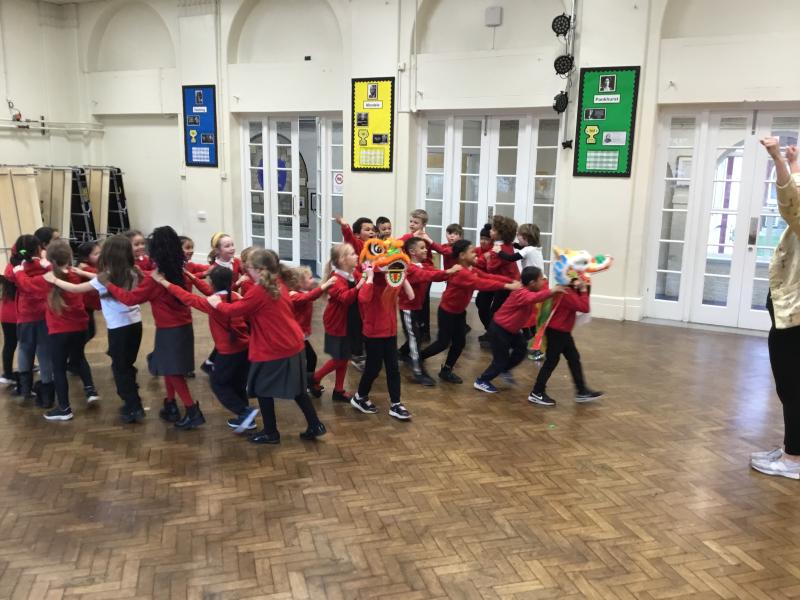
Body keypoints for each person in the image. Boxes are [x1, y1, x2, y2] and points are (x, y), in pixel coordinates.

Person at [207, 249, 327, 444]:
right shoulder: (278, 283)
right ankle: (315, 425)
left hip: (275, 347)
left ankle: (271, 432)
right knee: (297, 389)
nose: (247, 272)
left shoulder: (260, 290)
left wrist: (216, 303)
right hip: (293, 343)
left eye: (249, 268)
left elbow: (235, 310)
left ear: (260, 270)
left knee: (262, 388)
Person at [104, 226, 209, 429]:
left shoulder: (157, 279)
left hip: (170, 330)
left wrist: (108, 284)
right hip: (182, 326)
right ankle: (170, 404)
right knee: (169, 368)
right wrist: (141, 273)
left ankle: (192, 411)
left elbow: (130, 299)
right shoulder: (179, 271)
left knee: (173, 371)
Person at [49, 235, 146, 423]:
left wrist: (54, 280)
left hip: (119, 329)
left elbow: (75, 289)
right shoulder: (132, 271)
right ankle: (133, 401)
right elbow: (100, 280)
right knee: (127, 365)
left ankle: (133, 406)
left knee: (120, 368)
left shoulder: (106, 277)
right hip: (135, 324)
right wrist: (82, 272)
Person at [153, 266, 260, 433]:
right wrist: (191, 276)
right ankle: (247, 419)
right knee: (238, 384)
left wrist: (162, 281)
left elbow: (186, 297)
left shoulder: (213, 303)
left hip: (228, 352)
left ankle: (244, 412)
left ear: (212, 283)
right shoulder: (237, 297)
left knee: (217, 383)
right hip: (246, 349)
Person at [750, 139, 800, 479]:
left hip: (794, 316)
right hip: (790, 311)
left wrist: (778, 160)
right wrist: (791, 164)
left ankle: (793, 459)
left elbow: (791, 203)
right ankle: (792, 448)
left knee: (792, 385)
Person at [420, 239, 520, 384]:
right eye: (472, 252)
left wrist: (510, 280)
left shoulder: (471, 269)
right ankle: (418, 358)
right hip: (447, 312)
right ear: (462, 255)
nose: (476, 255)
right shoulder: (461, 272)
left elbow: (488, 276)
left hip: (459, 312)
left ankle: (446, 370)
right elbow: (481, 283)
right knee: (442, 343)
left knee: (459, 342)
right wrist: (507, 286)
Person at [23, 240, 96, 420]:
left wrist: (18, 270)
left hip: (59, 331)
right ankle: (90, 389)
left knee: (59, 369)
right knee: (79, 357)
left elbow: (27, 285)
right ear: (69, 256)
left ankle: (64, 408)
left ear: (49, 258)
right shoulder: (74, 274)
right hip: (80, 327)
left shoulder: (46, 278)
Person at [474, 267, 562, 394]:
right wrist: (553, 291)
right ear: (532, 283)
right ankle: (482, 380)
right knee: (500, 360)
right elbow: (535, 297)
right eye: (540, 279)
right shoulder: (521, 293)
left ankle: (504, 369)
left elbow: (539, 296)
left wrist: (557, 290)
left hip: (511, 330)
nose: (543, 281)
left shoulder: (528, 289)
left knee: (521, 349)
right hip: (500, 329)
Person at [350, 264, 414, 420]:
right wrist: (370, 277)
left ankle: (396, 404)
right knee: (373, 368)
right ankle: (360, 396)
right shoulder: (369, 279)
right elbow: (363, 298)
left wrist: (403, 277)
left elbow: (411, 296)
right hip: (374, 333)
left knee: (393, 369)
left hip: (390, 332)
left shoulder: (391, 280)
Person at [528, 278, 604, 407]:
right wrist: (583, 290)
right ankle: (536, 392)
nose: (582, 282)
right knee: (552, 361)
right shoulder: (567, 292)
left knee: (573, 358)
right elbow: (584, 307)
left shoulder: (566, 290)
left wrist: (581, 288)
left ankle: (581, 391)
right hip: (558, 331)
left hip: (561, 331)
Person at [399, 237, 460, 386]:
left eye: (425, 247)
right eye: (422, 248)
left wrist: (451, 273)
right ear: (412, 251)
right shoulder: (409, 268)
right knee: (414, 340)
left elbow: (434, 272)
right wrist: (449, 271)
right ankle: (418, 373)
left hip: (417, 308)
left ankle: (401, 353)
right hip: (407, 309)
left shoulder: (423, 265)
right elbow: (428, 276)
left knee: (418, 336)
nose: (426, 250)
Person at [309, 244, 365, 403]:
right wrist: (360, 285)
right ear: (342, 260)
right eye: (352, 254)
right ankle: (314, 378)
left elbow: (363, 280)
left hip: (350, 321)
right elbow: (346, 298)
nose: (356, 256)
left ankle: (339, 390)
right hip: (337, 323)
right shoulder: (335, 279)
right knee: (340, 358)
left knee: (344, 356)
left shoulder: (353, 273)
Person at [11, 235, 54, 405]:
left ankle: (25, 389)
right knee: (44, 353)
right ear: (39, 249)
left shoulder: (17, 268)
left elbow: (8, 274)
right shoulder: (44, 267)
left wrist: (17, 258)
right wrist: (46, 261)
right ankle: (47, 395)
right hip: (44, 314)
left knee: (24, 349)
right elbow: (58, 273)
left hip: (25, 316)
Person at [286, 266, 336, 392]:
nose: (312, 280)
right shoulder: (293, 295)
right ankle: (303, 383)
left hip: (301, 336)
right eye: (310, 278)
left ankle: (307, 382)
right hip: (294, 337)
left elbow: (313, 294)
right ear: (300, 282)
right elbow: (309, 297)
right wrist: (325, 285)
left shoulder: (305, 292)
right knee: (302, 361)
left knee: (310, 358)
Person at [474, 224, 495, 339]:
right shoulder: (477, 250)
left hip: (492, 284)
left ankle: (492, 332)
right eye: (482, 238)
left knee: (483, 308)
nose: (483, 241)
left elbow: (483, 265)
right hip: (483, 284)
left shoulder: (493, 252)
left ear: (491, 241)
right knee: (480, 304)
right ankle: (491, 331)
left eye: (487, 239)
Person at [0, 256, 18, 386]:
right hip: (16, 315)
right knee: (22, 344)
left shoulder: (9, 268)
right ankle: (8, 374)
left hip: (6, 314)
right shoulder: (20, 272)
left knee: (10, 344)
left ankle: (7, 374)